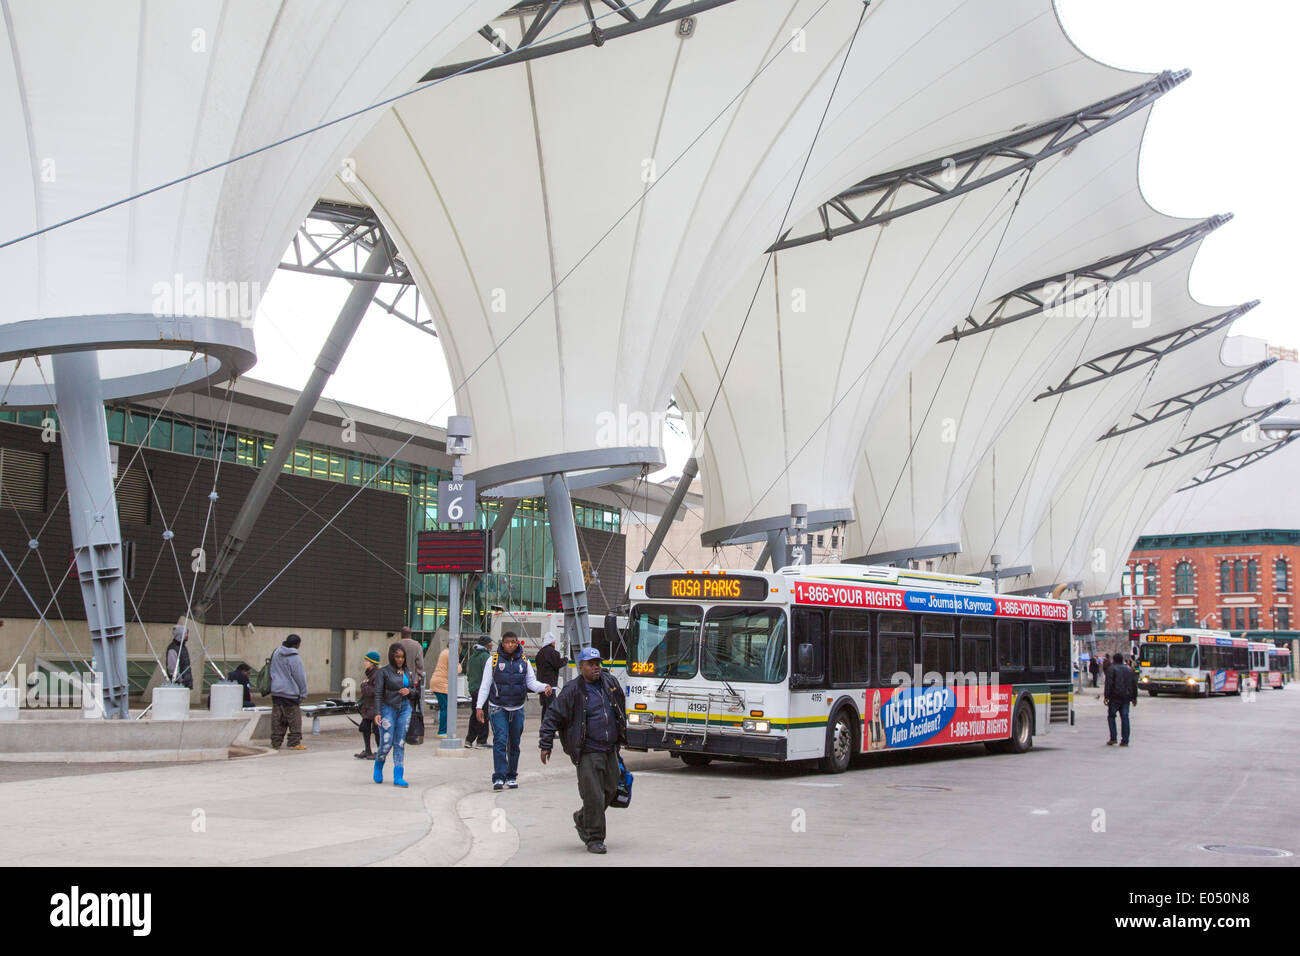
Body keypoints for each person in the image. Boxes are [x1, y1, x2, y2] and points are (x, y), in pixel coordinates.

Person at [538, 646, 629, 855]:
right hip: (588, 750)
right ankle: (595, 838)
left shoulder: (609, 683)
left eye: (598, 663)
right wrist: (546, 744)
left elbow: (619, 706)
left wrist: (622, 734)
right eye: (591, 664)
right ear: (581, 667)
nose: (596, 667)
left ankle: (582, 818)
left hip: (610, 748)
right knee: (594, 796)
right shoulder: (573, 690)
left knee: (611, 789)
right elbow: (552, 716)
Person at [475, 630, 552, 791]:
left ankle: (511, 776)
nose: (510, 644)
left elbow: (531, 682)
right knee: (500, 741)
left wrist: (543, 687)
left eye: (513, 642)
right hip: (498, 708)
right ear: (502, 643)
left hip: (517, 708)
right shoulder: (493, 660)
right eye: (507, 642)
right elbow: (485, 685)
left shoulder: (524, 661)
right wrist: (479, 706)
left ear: (517, 643)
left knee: (515, 744)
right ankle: (499, 777)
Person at [373, 643, 418, 787]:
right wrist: (377, 712)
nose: (400, 660)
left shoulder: (407, 672)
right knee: (386, 742)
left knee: (400, 742)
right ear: (392, 657)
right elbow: (378, 693)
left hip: (405, 708)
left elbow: (414, 690)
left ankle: (398, 775)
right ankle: (379, 764)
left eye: (402, 657)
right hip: (388, 708)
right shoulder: (383, 672)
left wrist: (409, 691)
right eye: (397, 657)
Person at [269, 634, 309, 751]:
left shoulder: (276, 653)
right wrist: (303, 692)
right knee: (294, 719)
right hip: (290, 693)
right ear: (297, 644)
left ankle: (275, 742)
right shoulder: (295, 658)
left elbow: (271, 670)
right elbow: (300, 677)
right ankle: (294, 742)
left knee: (277, 718)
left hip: (276, 691)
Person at [396, 627, 426, 744]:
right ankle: (410, 731)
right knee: (411, 707)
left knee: (397, 706)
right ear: (410, 634)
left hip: (397, 681)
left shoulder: (396, 645)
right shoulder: (416, 645)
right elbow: (420, 663)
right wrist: (419, 676)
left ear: (401, 634)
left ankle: (398, 731)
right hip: (412, 681)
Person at [1104, 651, 1138, 747]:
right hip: (1126, 698)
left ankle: (1113, 738)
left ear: (1114, 660)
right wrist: (1134, 698)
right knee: (1125, 717)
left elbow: (1108, 684)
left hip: (1115, 697)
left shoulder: (1111, 669)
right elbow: (1134, 684)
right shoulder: (1129, 670)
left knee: (1111, 717)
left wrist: (1106, 696)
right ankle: (1125, 740)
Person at [465, 637, 492, 749]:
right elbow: (489, 675)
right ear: (486, 644)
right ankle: (481, 740)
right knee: (483, 715)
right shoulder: (485, 657)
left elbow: (468, 673)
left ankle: (469, 739)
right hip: (482, 690)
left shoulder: (472, 657)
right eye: (490, 643)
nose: (492, 645)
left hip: (473, 688)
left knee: (474, 714)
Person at [429, 643, 460, 738]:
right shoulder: (451, 654)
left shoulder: (445, 652)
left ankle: (444, 730)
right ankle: (442, 731)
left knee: (444, 707)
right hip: (442, 684)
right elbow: (456, 670)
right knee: (445, 707)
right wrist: (459, 665)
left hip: (438, 681)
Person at [355, 650, 381, 759]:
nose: (365, 662)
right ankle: (368, 750)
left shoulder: (377, 674)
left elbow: (373, 691)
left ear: (372, 662)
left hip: (375, 707)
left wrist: (364, 685)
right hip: (368, 706)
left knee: (376, 730)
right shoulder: (371, 673)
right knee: (365, 727)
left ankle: (380, 753)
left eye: (367, 660)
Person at [535, 632, 565, 722]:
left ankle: (544, 729)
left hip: (541, 686)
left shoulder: (540, 653)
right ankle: (548, 730)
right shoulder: (553, 653)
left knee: (545, 708)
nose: (555, 643)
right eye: (554, 642)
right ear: (552, 642)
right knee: (551, 708)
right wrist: (565, 659)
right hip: (550, 685)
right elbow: (557, 664)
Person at [164, 624, 193, 689]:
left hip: (184, 683)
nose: (188, 636)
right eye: (186, 634)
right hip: (179, 685)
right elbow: (172, 668)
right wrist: (180, 680)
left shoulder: (182, 647)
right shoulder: (174, 649)